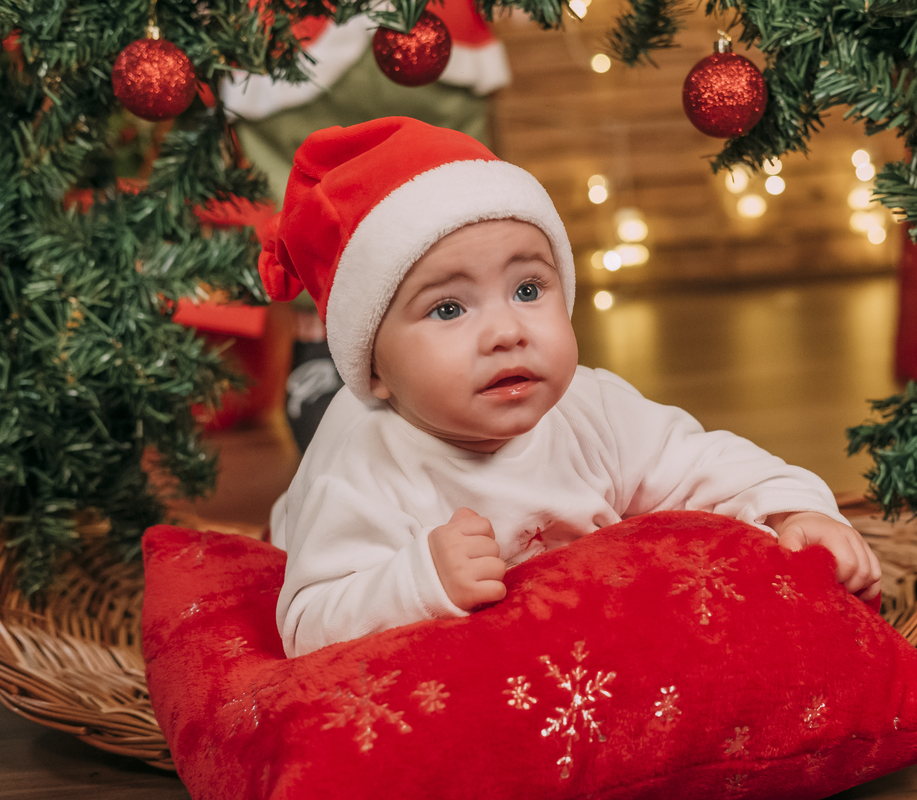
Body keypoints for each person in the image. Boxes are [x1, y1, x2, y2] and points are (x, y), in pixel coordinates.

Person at [261, 117, 883, 658]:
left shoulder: (591, 408)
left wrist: (796, 511)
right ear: (373, 369)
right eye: (448, 309)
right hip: (328, 543)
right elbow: (308, 623)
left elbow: (709, 465)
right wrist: (419, 583)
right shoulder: (360, 466)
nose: (506, 332)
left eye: (528, 290)